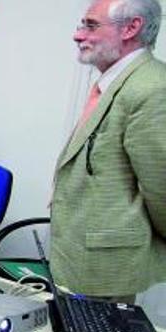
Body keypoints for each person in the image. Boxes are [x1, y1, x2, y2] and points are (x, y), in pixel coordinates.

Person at [52, 0, 166, 301]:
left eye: (91, 25)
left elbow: (162, 188)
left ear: (131, 28)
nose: (78, 35)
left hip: (107, 265)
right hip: (78, 255)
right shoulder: (114, 83)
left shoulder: (152, 88)